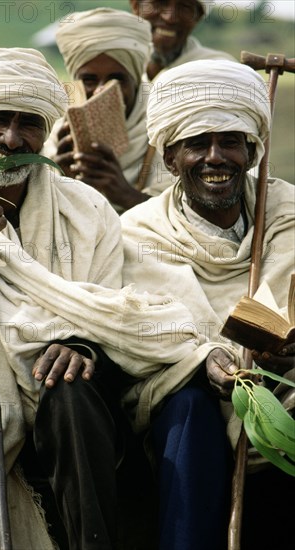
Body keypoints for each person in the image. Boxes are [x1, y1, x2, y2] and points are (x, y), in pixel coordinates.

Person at [0, 47, 205, 549]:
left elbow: (106, 313)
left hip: (66, 401)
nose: (12, 139)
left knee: (72, 388)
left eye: (29, 123)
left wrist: (81, 347)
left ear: (46, 131)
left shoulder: (85, 210)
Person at [120, 60, 295, 550]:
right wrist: (202, 361)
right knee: (189, 407)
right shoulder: (137, 234)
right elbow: (133, 334)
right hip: (187, 408)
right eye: (198, 143)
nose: (216, 157)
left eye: (231, 141)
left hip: (286, 399)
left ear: (252, 150)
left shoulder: (288, 215)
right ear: (171, 156)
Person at [43, 8, 174, 213]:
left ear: (136, 84)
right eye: (89, 80)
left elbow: (181, 221)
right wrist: (62, 181)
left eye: (117, 79)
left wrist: (124, 193)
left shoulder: (165, 132)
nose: (101, 90)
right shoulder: (55, 136)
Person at [130, 0, 235, 80]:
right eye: (160, 2)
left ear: (198, 17)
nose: (169, 17)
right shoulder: (118, 62)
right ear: (136, 5)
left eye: (184, 6)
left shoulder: (218, 71)